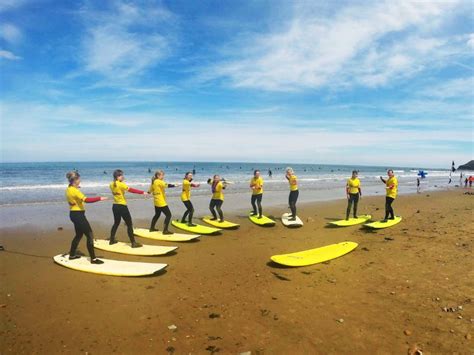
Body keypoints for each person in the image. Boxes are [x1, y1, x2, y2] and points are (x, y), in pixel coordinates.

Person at [65, 171, 107, 264]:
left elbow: (73, 194)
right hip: (78, 216)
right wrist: (99, 198)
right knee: (89, 235)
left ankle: (72, 255)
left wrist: (76, 187)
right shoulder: (75, 191)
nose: (80, 180)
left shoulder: (68, 189)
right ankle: (93, 259)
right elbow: (87, 200)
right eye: (78, 179)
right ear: (75, 180)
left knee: (79, 235)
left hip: (73, 214)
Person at [109, 169, 147, 247]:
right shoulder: (121, 184)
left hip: (115, 206)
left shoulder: (111, 184)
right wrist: (142, 192)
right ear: (117, 176)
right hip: (122, 207)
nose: (123, 177)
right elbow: (131, 190)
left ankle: (111, 240)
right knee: (129, 224)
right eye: (121, 175)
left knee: (116, 223)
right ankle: (133, 243)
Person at [149, 170, 178, 234]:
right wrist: (175, 185)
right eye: (162, 175)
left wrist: (146, 192)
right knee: (168, 215)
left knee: (157, 215)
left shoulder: (153, 182)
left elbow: (149, 191)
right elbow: (166, 185)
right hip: (161, 202)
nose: (163, 176)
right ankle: (165, 230)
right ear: (158, 176)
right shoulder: (159, 181)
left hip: (156, 201)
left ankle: (152, 228)